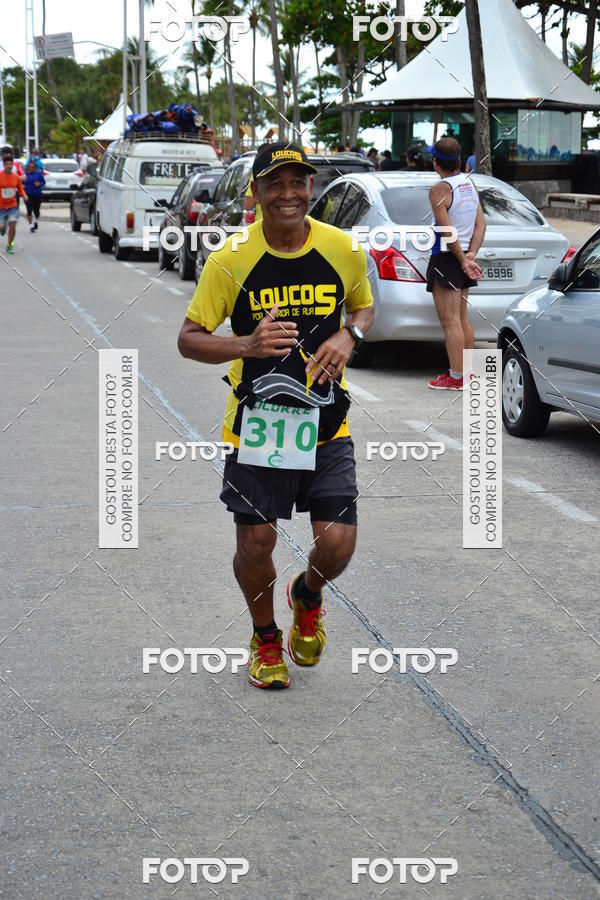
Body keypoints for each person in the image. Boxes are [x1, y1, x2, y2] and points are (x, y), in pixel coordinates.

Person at [178, 141, 374, 690]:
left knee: (338, 543)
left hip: (326, 421)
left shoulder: (344, 249)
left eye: (298, 182)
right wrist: (246, 344)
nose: (288, 193)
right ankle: (266, 638)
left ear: (310, 187)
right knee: (255, 544)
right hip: (259, 425)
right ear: (257, 192)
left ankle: (306, 595)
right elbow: (188, 340)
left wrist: (348, 334)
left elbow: (363, 305)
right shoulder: (230, 260)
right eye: (275, 183)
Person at [425, 137, 486, 390]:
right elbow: (480, 224)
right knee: (461, 318)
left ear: (436, 162)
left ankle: (457, 377)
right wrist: (471, 255)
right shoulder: (468, 184)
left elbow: (446, 230)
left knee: (450, 321)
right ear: (460, 161)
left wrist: (462, 259)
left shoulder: (440, 188)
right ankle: (468, 374)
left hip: (447, 256)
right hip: (462, 257)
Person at [0, 155, 28, 253]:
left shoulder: (16, 177)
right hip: (1, 207)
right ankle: (2, 230)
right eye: (7, 164)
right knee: (2, 227)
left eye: (10, 164)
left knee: (12, 224)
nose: (9, 166)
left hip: (12, 205)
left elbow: (20, 189)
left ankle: (9, 245)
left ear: (13, 165)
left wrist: (24, 195)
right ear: (4, 165)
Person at [23, 161, 45, 231]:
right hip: (27, 195)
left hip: (37, 195)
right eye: (29, 167)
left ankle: (35, 221)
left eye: (32, 167)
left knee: (36, 211)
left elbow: (44, 182)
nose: (31, 168)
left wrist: (39, 184)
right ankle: (31, 226)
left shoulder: (38, 174)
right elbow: (19, 183)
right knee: (29, 210)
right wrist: (22, 186)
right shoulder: (25, 175)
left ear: (35, 168)